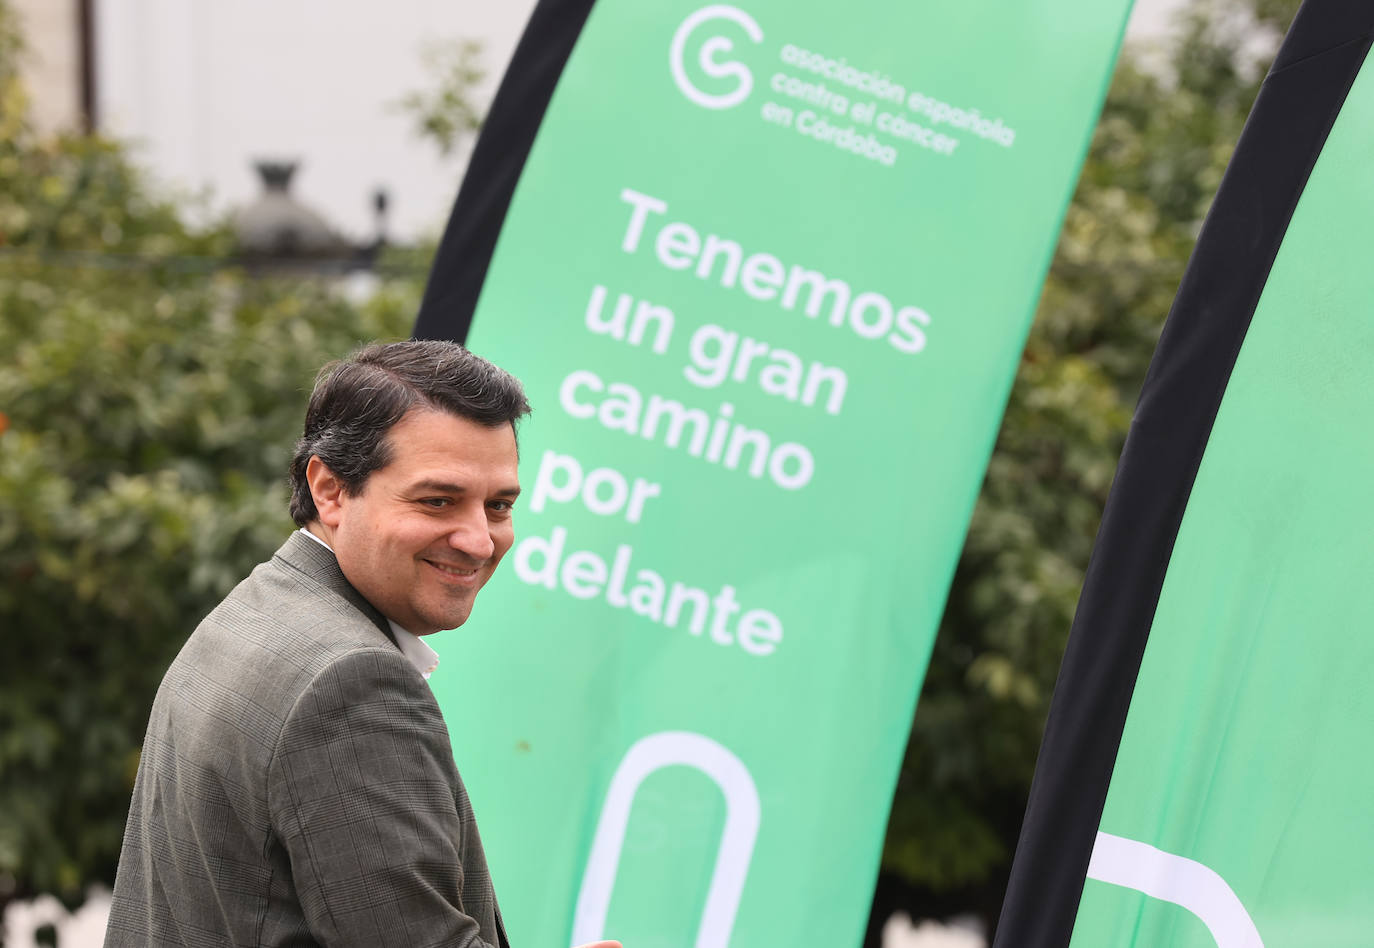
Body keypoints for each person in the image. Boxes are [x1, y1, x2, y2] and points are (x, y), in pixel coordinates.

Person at [105, 341, 619, 948]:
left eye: (499, 506)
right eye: (438, 501)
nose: (480, 541)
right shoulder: (353, 685)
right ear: (330, 490)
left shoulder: (251, 612)